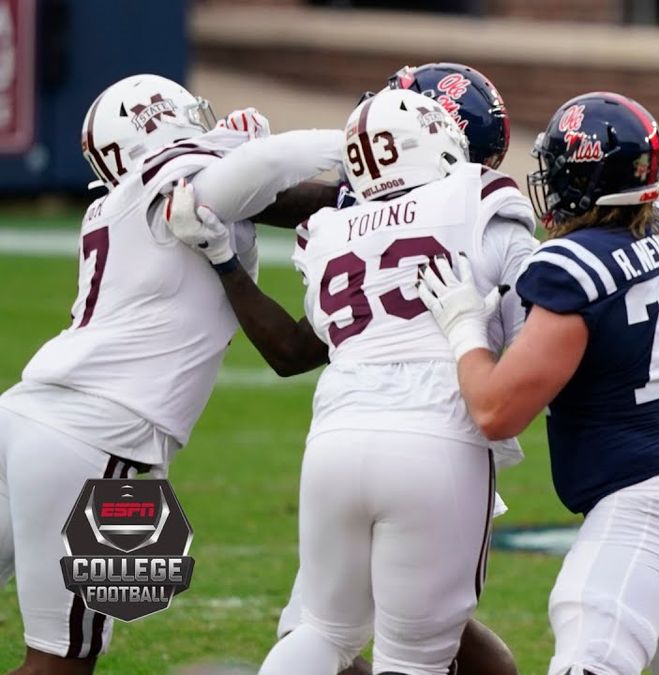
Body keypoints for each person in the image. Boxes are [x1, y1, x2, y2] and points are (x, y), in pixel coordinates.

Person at [168, 62, 527, 675]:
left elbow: (299, 335)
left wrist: (224, 210)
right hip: (437, 435)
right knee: (415, 653)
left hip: (336, 437)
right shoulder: (481, 198)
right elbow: (531, 335)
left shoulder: (331, 228)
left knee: (322, 632)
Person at [0, 74, 341, 675]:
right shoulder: (178, 182)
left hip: (32, 422)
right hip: (98, 443)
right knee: (60, 663)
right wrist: (374, 141)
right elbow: (271, 161)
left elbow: (276, 195)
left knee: (132, 592)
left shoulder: (127, 204)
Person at [415, 92, 659, 675]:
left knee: (585, 630)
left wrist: (464, 325)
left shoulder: (570, 269)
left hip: (649, 513)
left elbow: (496, 411)